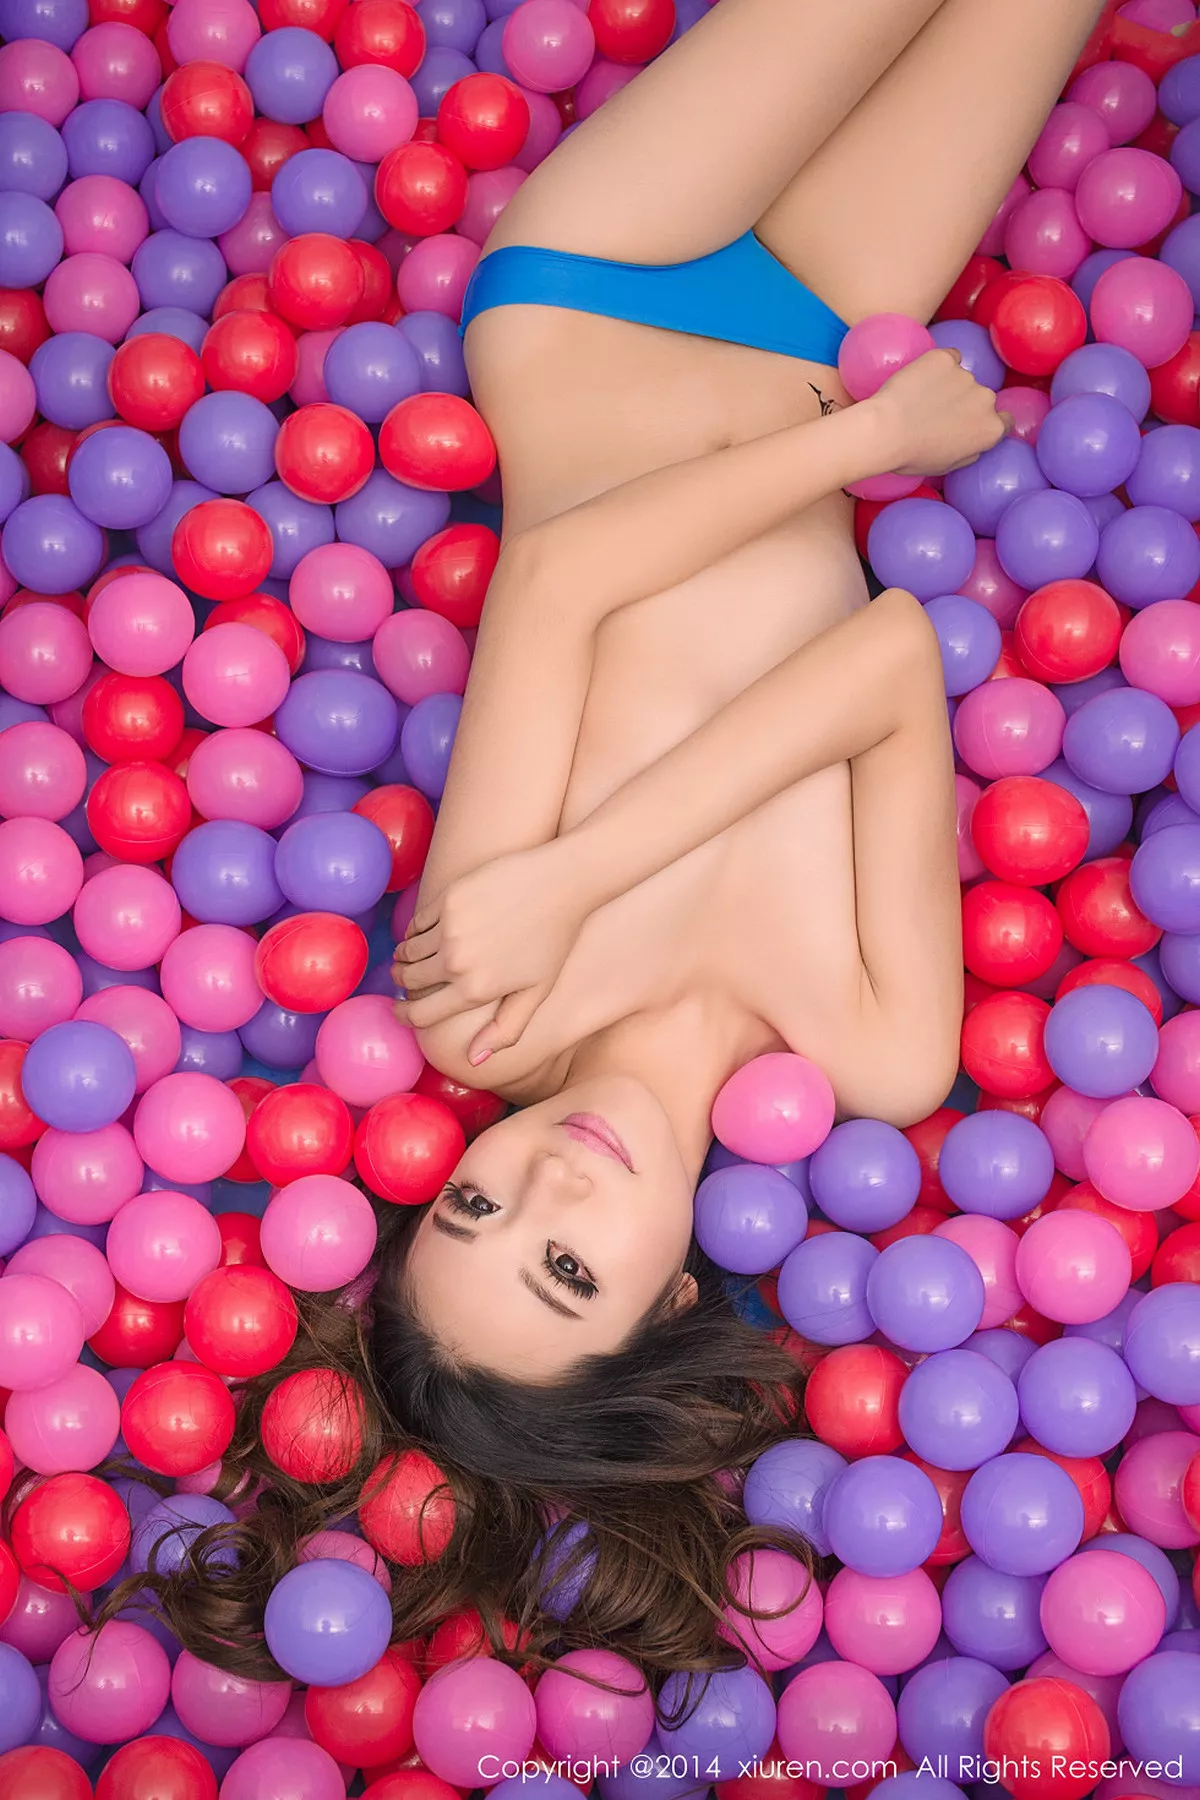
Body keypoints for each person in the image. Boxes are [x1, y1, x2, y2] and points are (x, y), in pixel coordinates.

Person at [115, 0, 1108, 1694]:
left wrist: (871, 448)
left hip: (597, 291)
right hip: (814, 339)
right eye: (568, 1268)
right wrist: (573, 871)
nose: (550, 1184)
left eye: (476, 1208)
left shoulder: (486, 1005)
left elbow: (563, 575)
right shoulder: (875, 1053)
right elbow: (887, 663)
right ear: (666, 1312)